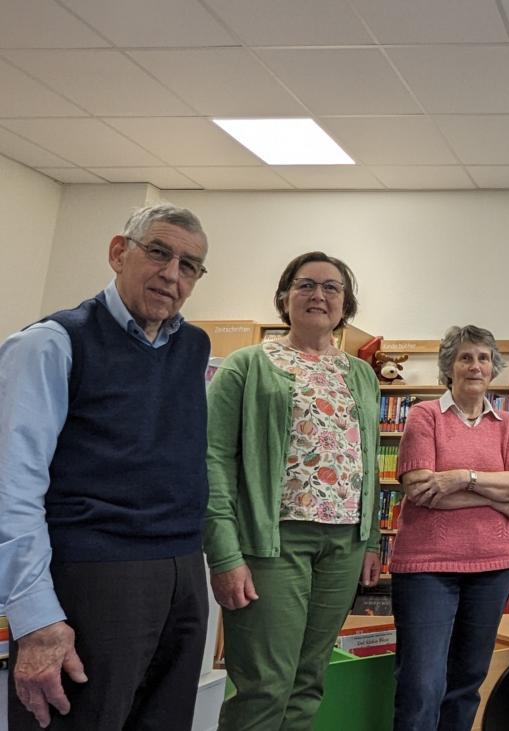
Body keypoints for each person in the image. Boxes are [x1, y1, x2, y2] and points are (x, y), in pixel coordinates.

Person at [0, 204, 212, 730]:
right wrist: (36, 618)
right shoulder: (51, 343)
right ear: (119, 252)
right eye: (159, 253)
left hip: (183, 575)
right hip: (94, 578)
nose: (172, 274)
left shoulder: (193, 347)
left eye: (189, 266)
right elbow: (11, 485)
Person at [204, 252, 383, 730]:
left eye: (332, 288)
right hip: (272, 543)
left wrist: (371, 541)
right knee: (264, 684)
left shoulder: (361, 374)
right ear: (284, 296)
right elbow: (214, 459)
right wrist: (224, 553)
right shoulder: (246, 366)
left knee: (309, 681)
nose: (319, 295)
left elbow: (367, 458)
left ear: (346, 305)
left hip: (343, 543)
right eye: (306, 285)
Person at [391, 325, 509, 731]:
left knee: (467, 682)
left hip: (492, 566)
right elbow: (420, 489)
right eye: (465, 357)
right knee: (421, 684)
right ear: (448, 366)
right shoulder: (424, 415)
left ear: (493, 368)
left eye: (483, 358)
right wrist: (492, 494)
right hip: (426, 567)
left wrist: (459, 478)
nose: (475, 366)